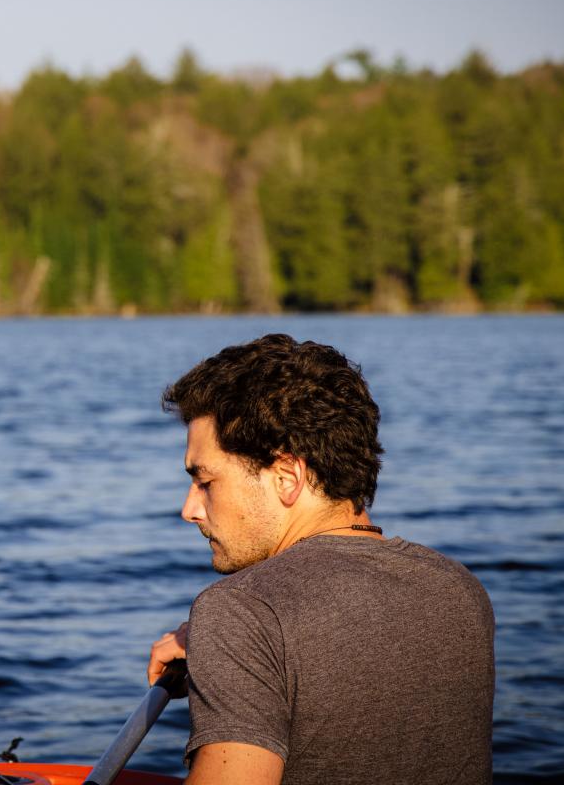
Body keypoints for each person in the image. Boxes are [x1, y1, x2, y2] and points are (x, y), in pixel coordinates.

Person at [146, 334, 494, 785]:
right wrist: (217, 645)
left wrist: (229, 635)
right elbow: (347, 649)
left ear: (288, 476)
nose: (189, 509)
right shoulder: (458, 591)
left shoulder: (240, 613)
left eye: (206, 481)